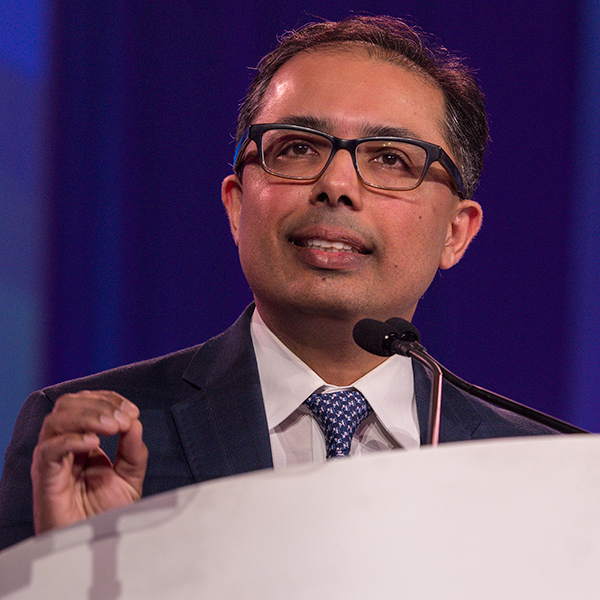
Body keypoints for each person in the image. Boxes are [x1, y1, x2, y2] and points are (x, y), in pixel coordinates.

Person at [0, 15, 560, 552]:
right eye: (297, 148)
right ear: (237, 205)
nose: (336, 185)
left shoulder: (543, 471)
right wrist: (72, 568)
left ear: (455, 233)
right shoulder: (90, 443)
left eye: (390, 158)